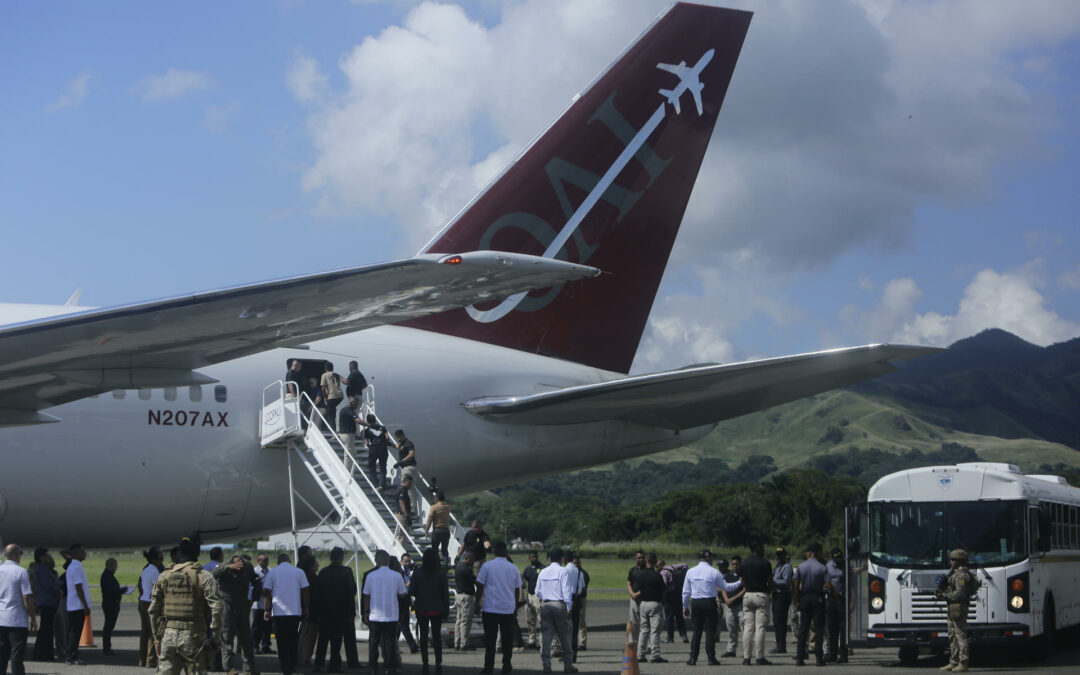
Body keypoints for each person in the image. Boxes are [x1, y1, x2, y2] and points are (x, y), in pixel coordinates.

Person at [148, 534, 225, 675]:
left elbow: (153, 610)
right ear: (197, 553)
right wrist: (216, 639)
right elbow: (217, 608)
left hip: (168, 636)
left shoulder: (165, 576)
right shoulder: (205, 576)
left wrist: (157, 639)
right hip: (194, 637)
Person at [681, 549, 741, 666]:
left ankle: (693, 658)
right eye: (711, 558)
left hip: (696, 603)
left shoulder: (691, 571)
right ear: (708, 558)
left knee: (697, 632)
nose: (712, 560)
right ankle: (711, 658)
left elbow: (685, 591)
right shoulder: (714, 572)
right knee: (710, 632)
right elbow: (727, 587)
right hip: (709, 603)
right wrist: (740, 582)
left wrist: (684, 606)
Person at [474, 542, 523, 674]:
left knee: (490, 640)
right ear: (506, 551)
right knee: (507, 640)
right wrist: (515, 606)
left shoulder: (487, 566)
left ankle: (488, 666)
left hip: (490, 608)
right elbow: (517, 589)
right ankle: (506, 665)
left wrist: (477, 603)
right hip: (507, 609)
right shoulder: (513, 568)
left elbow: (479, 586)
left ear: (494, 552)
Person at [313, 547, 362, 673]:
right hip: (341, 611)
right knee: (336, 640)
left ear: (330, 557)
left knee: (323, 639)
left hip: (325, 611)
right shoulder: (346, 571)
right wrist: (352, 612)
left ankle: (318, 664)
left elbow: (317, 594)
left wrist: (318, 611)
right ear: (341, 558)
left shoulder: (323, 572)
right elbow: (351, 593)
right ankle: (334, 665)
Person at [210, 555, 260, 675]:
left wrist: (254, 598)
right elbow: (211, 575)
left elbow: (256, 581)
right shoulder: (223, 568)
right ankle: (229, 669)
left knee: (246, 639)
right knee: (227, 640)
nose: (240, 568)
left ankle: (249, 668)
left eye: (241, 565)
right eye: (237, 566)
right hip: (227, 609)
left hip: (243, 608)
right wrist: (228, 567)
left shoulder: (247, 567)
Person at [262, 553, 310, 675]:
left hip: (279, 613)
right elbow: (305, 590)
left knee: (281, 640)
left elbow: (266, 591)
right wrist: (307, 608)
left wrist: (267, 609)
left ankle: (284, 664)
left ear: (278, 562)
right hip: (295, 612)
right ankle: (292, 663)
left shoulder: (273, 572)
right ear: (289, 561)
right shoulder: (299, 572)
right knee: (293, 638)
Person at [361, 550, 407, 675]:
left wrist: (366, 612)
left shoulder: (371, 575)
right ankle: (388, 667)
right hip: (391, 615)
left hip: (375, 615)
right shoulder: (396, 575)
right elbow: (403, 594)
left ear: (376, 561)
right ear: (388, 561)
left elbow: (366, 596)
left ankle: (373, 667)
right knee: (389, 642)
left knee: (374, 642)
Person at [534, 549, 576, 674]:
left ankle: (546, 665)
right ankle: (568, 664)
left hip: (546, 604)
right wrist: (569, 607)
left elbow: (537, 591)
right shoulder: (563, 571)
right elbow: (566, 591)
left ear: (549, 558)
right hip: (559, 604)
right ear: (561, 559)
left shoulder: (543, 572)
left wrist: (546, 596)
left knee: (546, 637)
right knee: (565, 636)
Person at [410, 548, 450, 675]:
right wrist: (446, 611)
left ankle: (425, 662)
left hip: (422, 608)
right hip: (437, 609)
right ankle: (438, 662)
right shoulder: (441, 574)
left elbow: (412, 591)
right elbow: (445, 595)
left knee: (423, 635)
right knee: (437, 636)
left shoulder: (417, 573)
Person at [936, 549, 976, 673]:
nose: (951, 562)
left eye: (954, 560)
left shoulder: (962, 575)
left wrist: (944, 595)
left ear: (960, 561)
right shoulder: (954, 573)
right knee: (952, 636)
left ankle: (963, 662)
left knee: (960, 636)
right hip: (952, 608)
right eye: (951, 560)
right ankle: (953, 661)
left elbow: (960, 594)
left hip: (959, 608)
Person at [0, 544, 36, 675]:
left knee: (2, 653)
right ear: (17, 555)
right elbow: (27, 596)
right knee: (17, 654)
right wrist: (32, 618)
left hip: (1, 618)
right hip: (16, 619)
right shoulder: (21, 571)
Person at [793, 543, 828, 667]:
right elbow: (826, 585)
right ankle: (819, 658)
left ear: (809, 553)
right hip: (818, 597)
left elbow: (796, 584)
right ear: (817, 553)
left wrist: (798, 598)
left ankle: (800, 657)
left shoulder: (801, 567)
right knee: (818, 629)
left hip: (805, 597)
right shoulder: (822, 567)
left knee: (804, 628)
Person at [738, 542, 772, 666]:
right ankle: (759, 657)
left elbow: (741, 580)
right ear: (758, 549)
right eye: (762, 548)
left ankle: (746, 657)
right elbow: (769, 581)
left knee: (748, 627)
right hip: (760, 594)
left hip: (747, 595)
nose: (764, 550)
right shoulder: (765, 563)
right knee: (760, 627)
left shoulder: (744, 563)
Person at [634, 553, 667, 663]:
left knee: (644, 630)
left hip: (643, 603)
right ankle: (655, 655)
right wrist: (662, 602)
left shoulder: (640, 575)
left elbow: (637, 590)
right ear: (654, 562)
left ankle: (640, 654)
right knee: (655, 631)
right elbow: (663, 591)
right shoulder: (657, 575)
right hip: (655, 603)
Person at [63, 544, 91, 666]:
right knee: (75, 632)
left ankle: (70, 655)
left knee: (73, 632)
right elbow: (79, 587)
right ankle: (71, 657)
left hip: (73, 605)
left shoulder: (74, 566)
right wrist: (85, 605)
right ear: (76, 553)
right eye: (82, 551)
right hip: (77, 605)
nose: (84, 553)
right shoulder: (76, 567)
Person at [30, 548, 60, 663]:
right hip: (47, 601)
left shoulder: (44, 569)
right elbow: (48, 585)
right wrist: (59, 590)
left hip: (48, 601)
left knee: (47, 629)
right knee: (46, 629)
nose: (48, 557)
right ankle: (42, 654)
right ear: (41, 557)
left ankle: (44, 653)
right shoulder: (42, 569)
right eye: (46, 555)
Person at [390, 556, 419, 656]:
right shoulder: (399, 573)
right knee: (403, 623)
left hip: (405, 599)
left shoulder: (406, 571)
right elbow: (402, 587)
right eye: (406, 562)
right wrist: (412, 581)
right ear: (401, 561)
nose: (408, 564)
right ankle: (412, 646)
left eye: (409, 562)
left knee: (399, 625)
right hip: (401, 600)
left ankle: (394, 647)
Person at [99, 557, 129, 656]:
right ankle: (106, 648)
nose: (116, 568)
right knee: (108, 627)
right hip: (110, 604)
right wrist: (122, 590)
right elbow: (112, 591)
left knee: (109, 626)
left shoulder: (107, 575)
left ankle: (107, 647)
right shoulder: (107, 576)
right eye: (115, 566)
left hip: (110, 603)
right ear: (110, 566)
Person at [824, 547, 848, 664]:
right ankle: (832, 653)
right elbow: (827, 583)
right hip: (832, 599)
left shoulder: (846, 565)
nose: (838, 560)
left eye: (840, 557)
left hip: (843, 599)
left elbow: (852, 580)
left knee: (843, 629)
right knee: (832, 628)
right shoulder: (828, 566)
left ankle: (843, 654)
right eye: (836, 558)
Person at [297, 555, 321, 668]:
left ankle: (302, 657)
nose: (318, 565)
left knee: (305, 634)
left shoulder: (304, 575)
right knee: (309, 636)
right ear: (312, 565)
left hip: (307, 610)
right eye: (316, 563)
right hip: (313, 610)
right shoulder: (312, 577)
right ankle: (305, 658)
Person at [770, 547, 793, 656]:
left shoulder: (787, 567)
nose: (778, 557)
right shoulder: (777, 567)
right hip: (775, 595)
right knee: (776, 620)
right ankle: (779, 643)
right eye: (777, 555)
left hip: (783, 595)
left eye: (780, 555)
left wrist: (773, 581)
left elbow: (786, 582)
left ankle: (781, 646)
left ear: (784, 555)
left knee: (781, 621)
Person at [658, 559, 688, 644]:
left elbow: (664, 585)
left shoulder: (663, 572)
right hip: (678, 594)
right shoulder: (674, 568)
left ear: (660, 565)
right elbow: (685, 565)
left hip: (669, 596)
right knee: (679, 616)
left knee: (669, 617)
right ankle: (684, 635)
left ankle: (670, 637)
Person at [720, 555, 744, 658]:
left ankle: (747, 650)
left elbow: (745, 589)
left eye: (737, 564)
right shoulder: (728, 575)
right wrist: (726, 599)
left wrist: (732, 599)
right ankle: (731, 649)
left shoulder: (744, 575)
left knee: (744, 628)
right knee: (731, 629)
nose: (735, 566)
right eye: (733, 564)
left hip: (740, 605)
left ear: (740, 564)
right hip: (729, 606)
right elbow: (723, 587)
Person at [453, 551, 477, 651]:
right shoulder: (467, 569)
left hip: (459, 595)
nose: (473, 562)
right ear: (467, 558)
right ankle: (464, 643)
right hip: (466, 596)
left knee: (459, 620)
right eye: (472, 560)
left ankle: (457, 642)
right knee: (465, 620)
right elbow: (474, 579)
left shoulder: (458, 567)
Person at [251, 554, 273, 655]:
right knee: (257, 626)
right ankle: (254, 646)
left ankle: (265, 645)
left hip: (268, 603)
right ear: (258, 561)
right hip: (258, 603)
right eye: (264, 560)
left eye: (267, 560)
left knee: (267, 627)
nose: (266, 562)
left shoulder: (270, 571)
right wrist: (262, 591)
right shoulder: (255, 572)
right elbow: (252, 587)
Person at [520, 551, 543, 649]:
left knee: (541, 619)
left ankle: (542, 641)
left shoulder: (542, 568)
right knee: (530, 619)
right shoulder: (527, 569)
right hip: (529, 595)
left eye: (536, 556)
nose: (534, 558)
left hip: (539, 596)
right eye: (532, 557)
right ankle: (532, 639)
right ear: (529, 558)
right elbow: (523, 582)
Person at [361, 415, 391, 489]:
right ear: (375, 420)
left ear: (367, 421)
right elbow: (387, 438)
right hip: (383, 449)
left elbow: (366, 442)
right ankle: (382, 484)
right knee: (383, 467)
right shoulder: (382, 428)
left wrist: (369, 446)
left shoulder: (367, 430)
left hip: (373, 449)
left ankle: (376, 485)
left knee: (372, 467)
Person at [425, 490, 453, 567]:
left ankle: (436, 564)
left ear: (436, 498)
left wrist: (426, 530)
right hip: (446, 530)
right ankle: (445, 564)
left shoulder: (434, 507)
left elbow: (430, 519)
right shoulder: (447, 506)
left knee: (435, 549)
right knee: (444, 549)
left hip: (437, 530)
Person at [625, 550, 646, 651]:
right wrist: (632, 593)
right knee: (634, 623)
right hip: (634, 599)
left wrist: (638, 594)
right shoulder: (632, 570)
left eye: (642, 557)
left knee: (645, 624)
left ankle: (646, 646)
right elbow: (629, 582)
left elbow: (648, 586)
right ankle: (635, 644)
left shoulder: (647, 570)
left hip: (644, 599)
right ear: (635, 559)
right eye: (639, 558)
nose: (641, 559)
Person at [319, 362, 345, 432]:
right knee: (332, 408)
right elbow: (344, 381)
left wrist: (324, 398)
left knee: (329, 413)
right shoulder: (336, 374)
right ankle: (333, 427)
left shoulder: (324, 375)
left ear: (325, 369)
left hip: (332, 396)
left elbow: (323, 388)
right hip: (340, 396)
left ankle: (332, 430)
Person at [572, 557, 590, 652]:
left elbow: (583, 587)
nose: (576, 565)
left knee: (581, 621)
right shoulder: (571, 573)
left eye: (577, 563)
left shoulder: (584, 574)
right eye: (574, 563)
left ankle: (582, 642)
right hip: (573, 599)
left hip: (581, 599)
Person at [395, 476, 415, 546]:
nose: (410, 486)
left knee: (404, 536)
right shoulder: (402, 491)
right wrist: (406, 515)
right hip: (402, 515)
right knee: (401, 535)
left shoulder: (404, 491)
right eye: (409, 483)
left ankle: (403, 550)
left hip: (403, 515)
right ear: (406, 482)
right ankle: (400, 552)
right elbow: (402, 503)